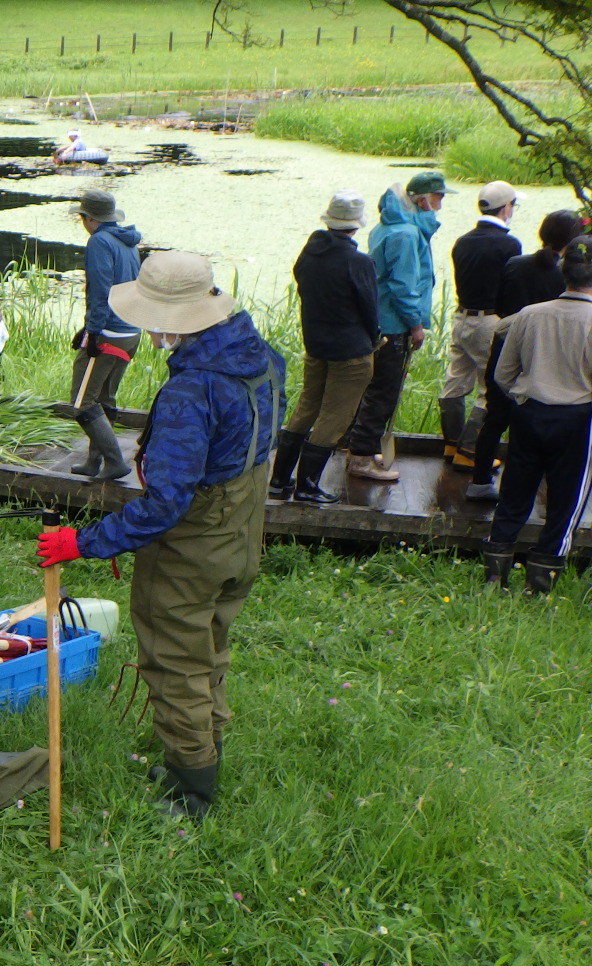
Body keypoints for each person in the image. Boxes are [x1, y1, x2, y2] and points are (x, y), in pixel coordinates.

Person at [33, 251, 283, 820]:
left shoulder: (192, 391)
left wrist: (84, 542)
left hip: (195, 542)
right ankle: (205, 749)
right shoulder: (262, 355)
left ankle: (190, 789)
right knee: (209, 644)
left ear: (179, 318)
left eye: (152, 318)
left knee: (176, 661)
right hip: (244, 529)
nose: (148, 329)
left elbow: (165, 504)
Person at [478, 238, 592, 594]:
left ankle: (495, 575)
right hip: (577, 420)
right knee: (565, 503)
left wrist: (523, 397)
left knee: (514, 493)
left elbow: (502, 375)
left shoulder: (529, 315)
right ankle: (539, 581)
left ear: (563, 270)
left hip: (528, 413)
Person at [269, 190, 380, 505]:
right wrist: (374, 340)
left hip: (316, 346)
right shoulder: (358, 261)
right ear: (356, 226)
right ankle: (306, 486)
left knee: (306, 408)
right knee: (334, 417)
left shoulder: (309, 253)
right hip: (351, 352)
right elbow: (371, 310)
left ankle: (278, 481)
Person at [470, 209, 587, 501]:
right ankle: (548, 492)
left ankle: (479, 481)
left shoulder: (515, 264)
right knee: (549, 428)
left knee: (494, 419)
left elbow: (499, 307)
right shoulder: (570, 277)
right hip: (544, 355)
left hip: (506, 349)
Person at [344, 171, 452, 481]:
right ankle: (362, 459)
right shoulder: (405, 234)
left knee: (373, 389)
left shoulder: (390, 226)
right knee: (383, 393)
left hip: (380, 322)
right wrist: (416, 325)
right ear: (422, 199)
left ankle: (359, 449)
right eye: (438, 197)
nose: (441, 204)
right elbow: (404, 285)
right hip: (393, 325)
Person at [60, 189, 143, 482]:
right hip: (131, 330)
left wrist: (92, 332)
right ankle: (94, 462)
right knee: (105, 398)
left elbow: (100, 289)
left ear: (89, 218)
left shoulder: (99, 241)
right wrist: (87, 327)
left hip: (109, 331)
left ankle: (115, 461)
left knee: (82, 401)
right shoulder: (128, 242)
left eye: (81, 217)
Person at [440, 181, 522, 468]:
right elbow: (510, 287)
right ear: (506, 207)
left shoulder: (463, 241)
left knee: (455, 380)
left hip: (460, 317)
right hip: (489, 321)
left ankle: (451, 445)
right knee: (489, 387)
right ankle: (470, 452)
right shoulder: (509, 244)